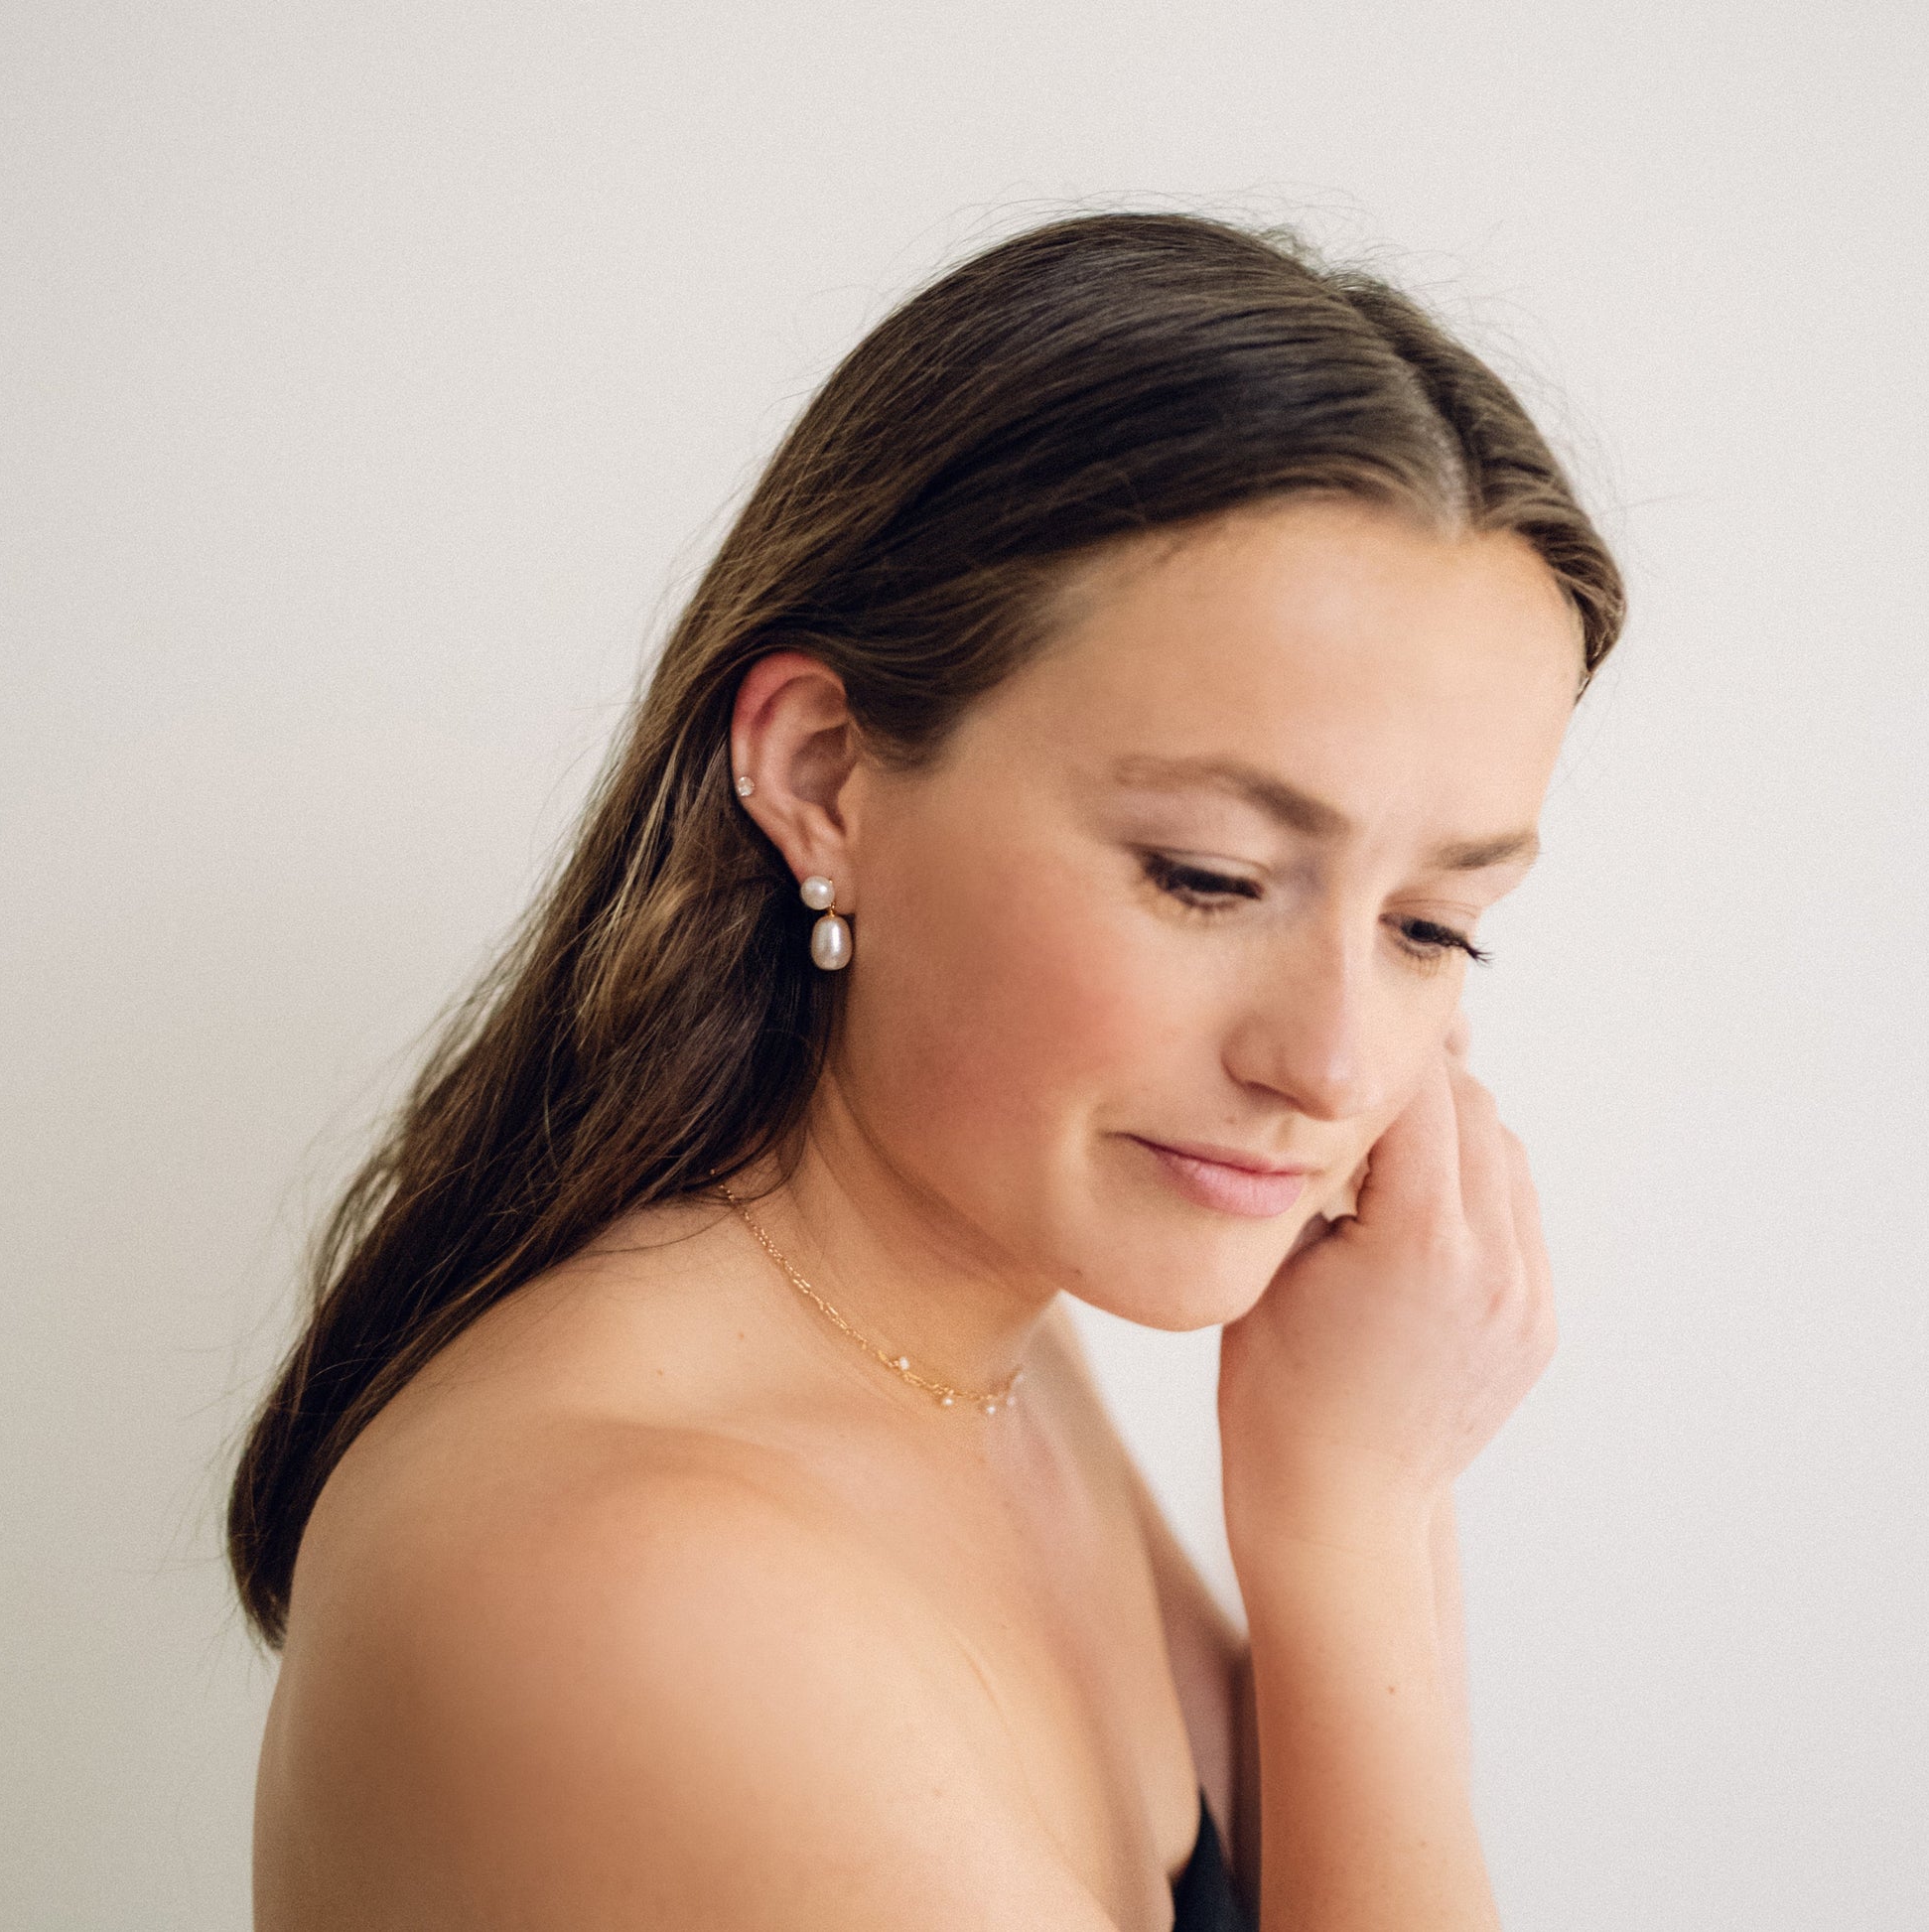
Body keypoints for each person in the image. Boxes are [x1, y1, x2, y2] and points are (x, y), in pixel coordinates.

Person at [229, 210, 1623, 1931]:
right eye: (1204, 876)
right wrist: (1350, 1524)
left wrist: (1359, 1499)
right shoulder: (630, 1584)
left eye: (1432, 926)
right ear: (822, 770)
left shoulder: (974, 1325)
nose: (1330, 1061)